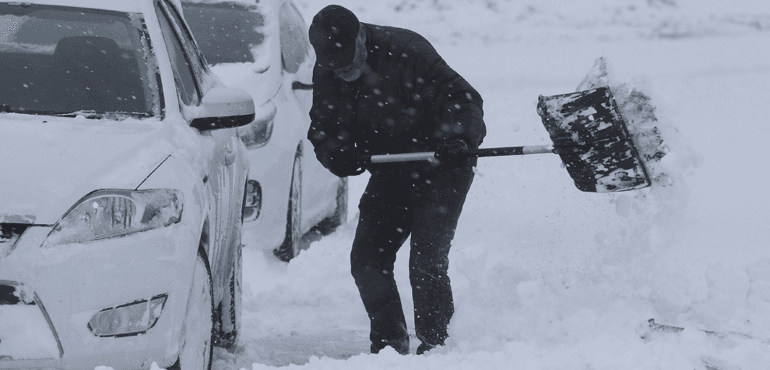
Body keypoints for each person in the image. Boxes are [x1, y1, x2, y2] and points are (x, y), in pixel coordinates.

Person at [307, 5, 486, 355]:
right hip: (392, 170)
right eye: (338, 68)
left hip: (443, 164)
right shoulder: (328, 69)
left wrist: (459, 138)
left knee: (425, 262)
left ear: (361, 35)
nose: (347, 72)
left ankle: (438, 348)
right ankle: (389, 346)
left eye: (351, 62)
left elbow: (464, 98)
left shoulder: (407, 50)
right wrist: (337, 153)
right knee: (367, 260)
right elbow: (323, 129)